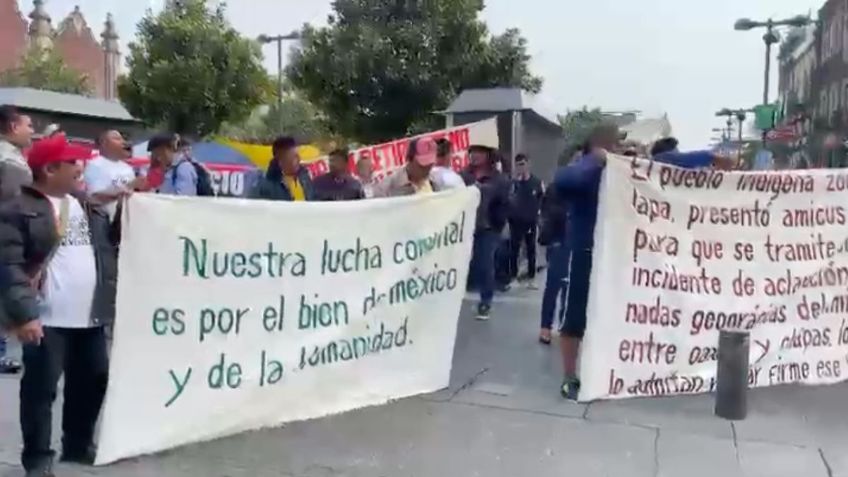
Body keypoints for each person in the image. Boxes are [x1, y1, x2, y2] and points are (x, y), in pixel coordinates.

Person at [554, 124, 737, 401]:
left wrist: (709, 157)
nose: (620, 150)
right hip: (585, 254)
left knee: (620, 315)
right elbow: (564, 181)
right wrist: (597, 161)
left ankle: (612, 371)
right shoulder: (585, 170)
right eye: (614, 145)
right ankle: (569, 376)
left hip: (622, 257)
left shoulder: (630, 169)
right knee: (576, 316)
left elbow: (669, 162)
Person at [0, 133, 118, 476]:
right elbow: (8, 265)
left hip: (90, 317)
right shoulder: (16, 210)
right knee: (41, 391)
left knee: (94, 379)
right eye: (72, 162)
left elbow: (107, 248)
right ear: (50, 169)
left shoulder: (86, 204)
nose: (80, 167)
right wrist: (24, 314)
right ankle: (38, 458)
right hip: (47, 318)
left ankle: (78, 444)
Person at [0, 105, 34, 374]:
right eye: (29, 126)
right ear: (13, 127)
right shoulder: (10, 161)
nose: (32, 131)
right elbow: (16, 203)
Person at [462, 145, 510, 320]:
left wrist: (498, 223)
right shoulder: (463, 176)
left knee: (485, 264)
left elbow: (504, 203)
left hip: (488, 228)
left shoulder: (499, 179)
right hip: (465, 226)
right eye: (472, 152)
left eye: (479, 152)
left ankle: (485, 302)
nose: (474, 156)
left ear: (489, 156)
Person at [537, 180, 569, 345]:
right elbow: (548, 212)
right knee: (555, 283)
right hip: (559, 240)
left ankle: (564, 324)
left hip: (576, 240)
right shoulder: (557, 187)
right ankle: (546, 326)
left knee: (569, 286)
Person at [83, 130, 140, 219]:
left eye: (122, 139)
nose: (123, 142)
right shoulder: (95, 165)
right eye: (117, 139)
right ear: (104, 143)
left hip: (124, 217)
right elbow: (94, 197)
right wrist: (120, 191)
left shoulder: (128, 168)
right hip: (102, 216)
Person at [508, 154, 544, 288]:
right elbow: (508, 199)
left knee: (531, 249)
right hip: (515, 221)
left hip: (530, 221)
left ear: (528, 164)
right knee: (514, 249)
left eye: (523, 164)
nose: (520, 167)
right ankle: (513, 277)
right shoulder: (514, 184)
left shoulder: (536, 182)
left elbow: (542, 199)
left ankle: (531, 277)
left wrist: (539, 215)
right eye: (518, 165)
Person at [252, 136, 315, 201]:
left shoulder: (304, 177)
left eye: (298, 156)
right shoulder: (265, 188)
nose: (299, 159)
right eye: (294, 157)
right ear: (281, 162)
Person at [375, 137, 440, 197]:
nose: (426, 170)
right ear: (409, 159)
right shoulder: (386, 188)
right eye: (422, 166)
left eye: (430, 165)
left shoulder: (436, 181)